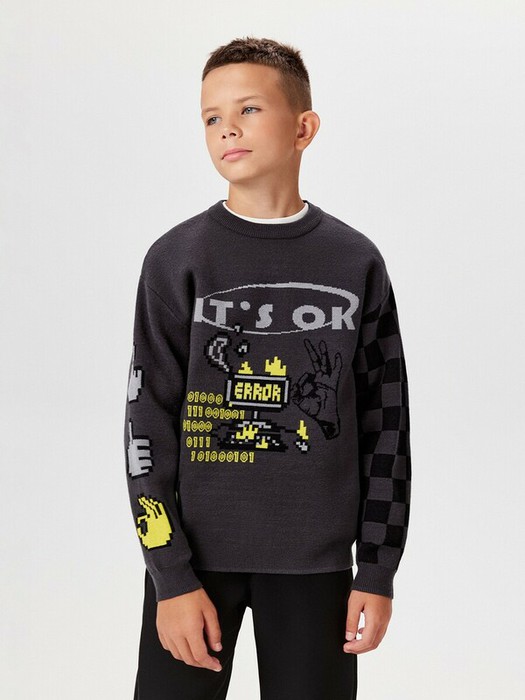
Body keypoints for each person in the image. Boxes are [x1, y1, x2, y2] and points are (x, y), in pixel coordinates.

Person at [124, 36, 412, 700]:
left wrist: (376, 569)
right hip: (195, 567)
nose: (227, 127)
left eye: (249, 109)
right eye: (211, 116)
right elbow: (146, 427)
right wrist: (169, 574)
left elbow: (387, 427)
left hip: (317, 567)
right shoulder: (176, 259)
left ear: (303, 128)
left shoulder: (354, 262)